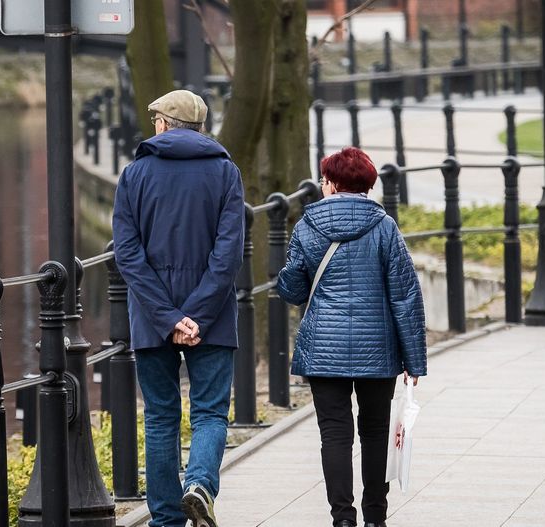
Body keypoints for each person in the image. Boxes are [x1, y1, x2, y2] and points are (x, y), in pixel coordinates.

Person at [112, 89, 244, 527]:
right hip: (214, 317)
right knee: (209, 411)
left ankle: (166, 519)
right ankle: (201, 485)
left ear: (165, 124)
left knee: (161, 416)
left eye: (155, 121)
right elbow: (228, 254)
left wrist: (169, 319)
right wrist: (199, 316)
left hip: (152, 318)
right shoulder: (226, 173)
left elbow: (127, 254)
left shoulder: (135, 174)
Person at [277, 147, 427, 527]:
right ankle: (376, 517)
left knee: (335, 434)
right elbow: (405, 294)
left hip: (324, 349)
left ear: (330, 183)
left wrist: (294, 271)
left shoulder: (307, 225)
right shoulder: (384, 227)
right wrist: (414, 360)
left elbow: (293, 289)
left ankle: (343, 519)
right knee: (376, 432)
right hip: (377, 349)